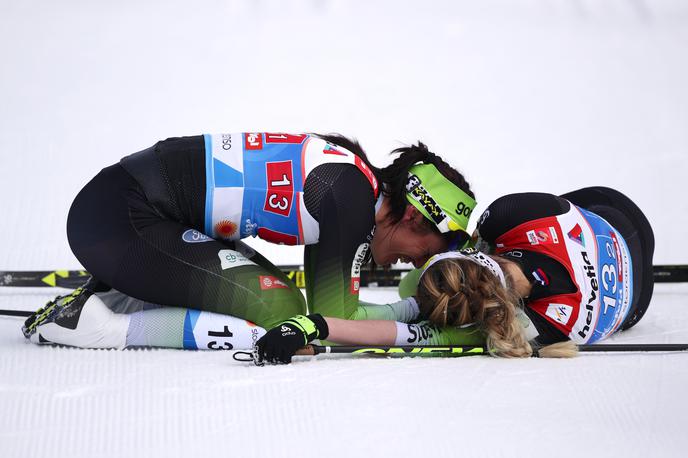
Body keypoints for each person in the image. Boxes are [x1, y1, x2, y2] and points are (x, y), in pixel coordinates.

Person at [22, 132, 476, 351]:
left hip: (119, 213)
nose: (414, 265)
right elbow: (333, 325)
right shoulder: (350, 200)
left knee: (284, 303)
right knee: (282, 312)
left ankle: (115, 296)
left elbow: (328, 314)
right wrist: (420, 318)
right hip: (121, 221)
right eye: (430, 253)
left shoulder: (353, 183)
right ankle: (101, 327)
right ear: (416, 217)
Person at [253, 186, 654, 363]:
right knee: (418, 289)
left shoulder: (516, 325)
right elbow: (399, 330)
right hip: (616, 214)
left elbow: (393, 326)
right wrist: (314, 325)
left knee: (413, 287)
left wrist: (315, 324)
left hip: (632, 280)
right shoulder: (514, 215)